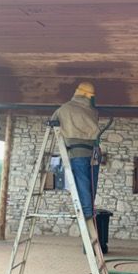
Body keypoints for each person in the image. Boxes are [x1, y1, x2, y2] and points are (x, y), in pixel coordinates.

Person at [51, 82, 103, 263]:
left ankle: (87, 212)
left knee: (81, 183)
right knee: (90, 184)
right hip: (92, 155)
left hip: (76, 154)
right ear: (88, 96)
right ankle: (89, 210)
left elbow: (52, 121)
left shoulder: (64, 109)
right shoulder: (92, 111)